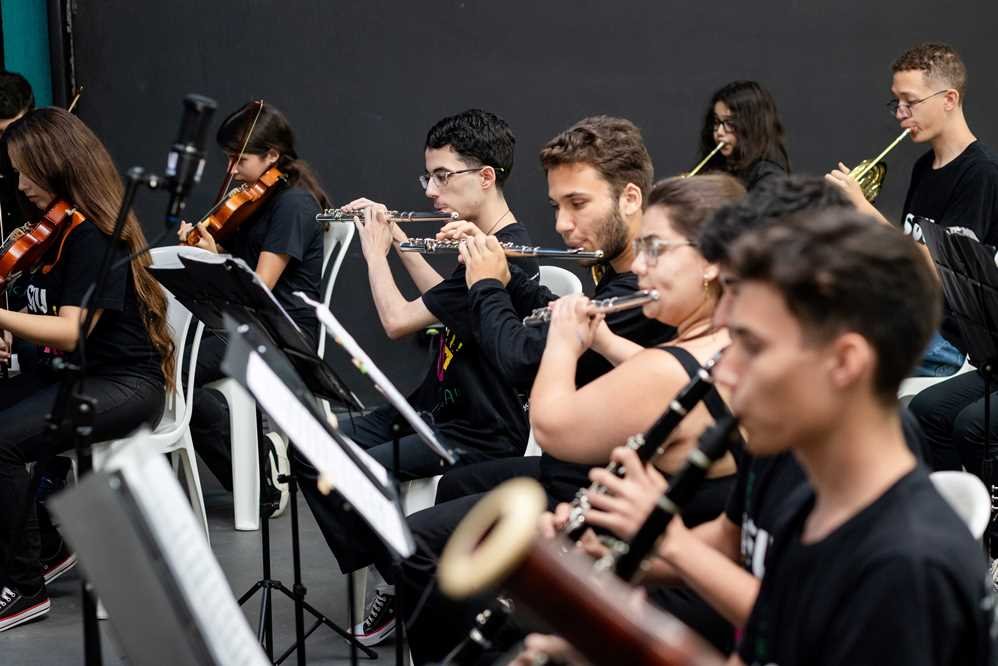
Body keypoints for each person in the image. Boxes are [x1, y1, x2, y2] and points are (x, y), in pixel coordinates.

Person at [399, 173, 745, 665]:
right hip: (676, 559)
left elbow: (552, 429)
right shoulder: (715, 349)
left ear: (713, 264)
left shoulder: (683, 365)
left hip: (686, 606)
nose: (640, 269)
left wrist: (562, 339)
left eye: (656, 250)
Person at [293, 109, 538, 645]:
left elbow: (399, 321)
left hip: (475, 431)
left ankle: (404, 577)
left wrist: (375, 250)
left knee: (351, 472)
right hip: (431, 409)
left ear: (486, 177)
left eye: (442, 176)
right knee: (309, 446)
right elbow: (444, 306)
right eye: (426, 177)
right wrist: (399, 232)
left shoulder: (508, 252)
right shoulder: (479, 243)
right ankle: (395, 569)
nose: (430, 189)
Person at [0, 108, 174, 631]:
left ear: (58, 167)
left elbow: (73, 330)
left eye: (28, 171)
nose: (21, 184)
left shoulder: (95, 236)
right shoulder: (50, 234)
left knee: (2, 440)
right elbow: (36, 313)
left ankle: (23, 587)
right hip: (69, 374)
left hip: (124, 383)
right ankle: (47, 543)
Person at [178, 100, 328, 513]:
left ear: (273, 156)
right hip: (243, 324)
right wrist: (212, 248)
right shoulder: (255, 201)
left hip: (280, 332)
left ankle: (262, 478)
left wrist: (214, 258)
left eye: (239, 159)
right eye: (228, 158)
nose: (231, 169)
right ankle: (258, 462)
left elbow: (257, 288)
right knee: (171, 372)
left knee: (176, 372)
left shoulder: (293, 205)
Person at [827, 42, 998, 378]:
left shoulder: (983, 174)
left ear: (949, 100)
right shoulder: (924, 166)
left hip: (951, 342)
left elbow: (945, 275)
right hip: (911, 316)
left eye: (911, 102)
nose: (900, 114)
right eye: (897, 102)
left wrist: (864, 209)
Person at [691, 80, 790, 190]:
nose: (719, 132)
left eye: (729, 123)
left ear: (752, 126)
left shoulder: (769, 179)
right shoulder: (717, 167)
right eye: (717, 122)